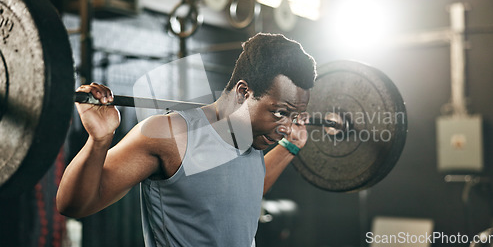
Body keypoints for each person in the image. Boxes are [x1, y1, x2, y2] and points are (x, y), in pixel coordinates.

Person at [56, 33, 317, 247]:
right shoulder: (170, 135)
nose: (286, 126)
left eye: (294, 116)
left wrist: (289, 147)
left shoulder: (255, 135)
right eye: (281, 112)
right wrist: (99, 141)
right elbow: (73, 204)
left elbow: (242, 196)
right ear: (243, 92)